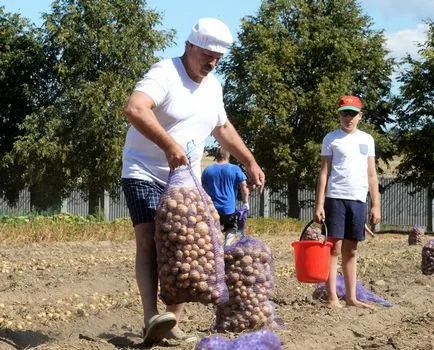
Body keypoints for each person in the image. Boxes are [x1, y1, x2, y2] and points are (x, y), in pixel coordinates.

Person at [121, 17, 265, 345]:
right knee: (149, 239)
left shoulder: (214, 86)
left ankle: (171, 321)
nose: (212, 63)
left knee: (186, 245)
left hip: (185, 180)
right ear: (189, 46)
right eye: (206, 55)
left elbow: (222, 128)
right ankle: (150, 317)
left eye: (218, 58)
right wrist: (169, 145)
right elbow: (135, 109)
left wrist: (250, 160)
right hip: (144, 170)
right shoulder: (164, 73)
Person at [314, 95, 380, 309]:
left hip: (358, 199)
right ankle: (332, 296)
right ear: (338, 115)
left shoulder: (367, 140)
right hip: (335, 198)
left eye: (352, 113)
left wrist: (376, 204)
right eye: (344, 113)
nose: (348, 118)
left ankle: (351, 298)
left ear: (360, 116)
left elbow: (372, 174)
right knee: (333, 248)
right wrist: (319, 204)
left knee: (351, 250)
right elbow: (324, 173)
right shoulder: (330, 139)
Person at [201, 146, 250, 235]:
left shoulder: (207, 170)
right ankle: (226, 246)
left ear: (217, 156)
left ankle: (217, 246)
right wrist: (245, 202)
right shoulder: (235, 169)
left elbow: (202, 190)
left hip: (212, 208)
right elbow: (244, 187)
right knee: (231, 228)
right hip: (229, 209)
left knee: (214, 230)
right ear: (228, 156)